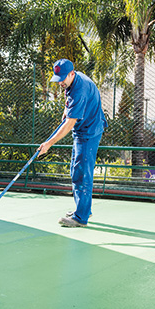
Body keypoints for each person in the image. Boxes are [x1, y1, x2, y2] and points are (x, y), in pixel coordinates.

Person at [38, 59, 107, 227]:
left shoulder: (80, 89)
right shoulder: (71, 82)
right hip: (82, 130)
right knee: (75, 170)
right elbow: (69, 99)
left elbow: (70, 124)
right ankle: (83, 208)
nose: (60, 82)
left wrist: (48, 143)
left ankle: (80, 218)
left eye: (62, 78)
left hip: (89, 132)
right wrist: (66, 110)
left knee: (83, 172)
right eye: (58, 78)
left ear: (72, 73)